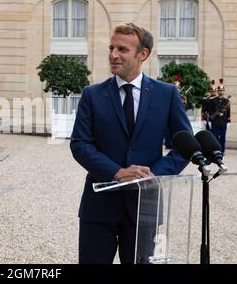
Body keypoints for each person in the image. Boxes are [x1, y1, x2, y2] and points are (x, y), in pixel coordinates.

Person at [70, 23, 192, 264]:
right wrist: (117, 172)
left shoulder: (166, 94)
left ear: (143, 54)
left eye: (122, 49)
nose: (113, 55)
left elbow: (184, 146)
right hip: (99, 208)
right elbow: (80, 144)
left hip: (145, 207)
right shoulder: (92, 94)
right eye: (111, 48)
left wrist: (152, 174)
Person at [209, 79, 231, 152]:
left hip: (223, 121)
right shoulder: (213, 100)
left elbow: (228, 112)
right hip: (215, 121)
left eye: (222, 90)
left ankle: (222, 150)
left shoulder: (227, 101)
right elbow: (210, 111)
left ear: (224, 91)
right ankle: (216, 150)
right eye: (219, 90)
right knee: (215, 137)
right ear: (217, 91)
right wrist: (215, 114)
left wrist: (228, 121)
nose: (221, 91)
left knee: (223, 137)